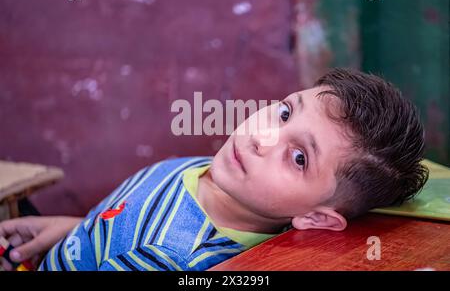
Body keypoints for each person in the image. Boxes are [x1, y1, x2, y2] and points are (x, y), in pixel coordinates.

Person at [0, 68, 429, 271]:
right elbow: (136, 216)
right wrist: (81, 230)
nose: (262, 137)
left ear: (316, 217)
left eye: (299, 158)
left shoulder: (180, 260)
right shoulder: (218, 175)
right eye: (283, 113)